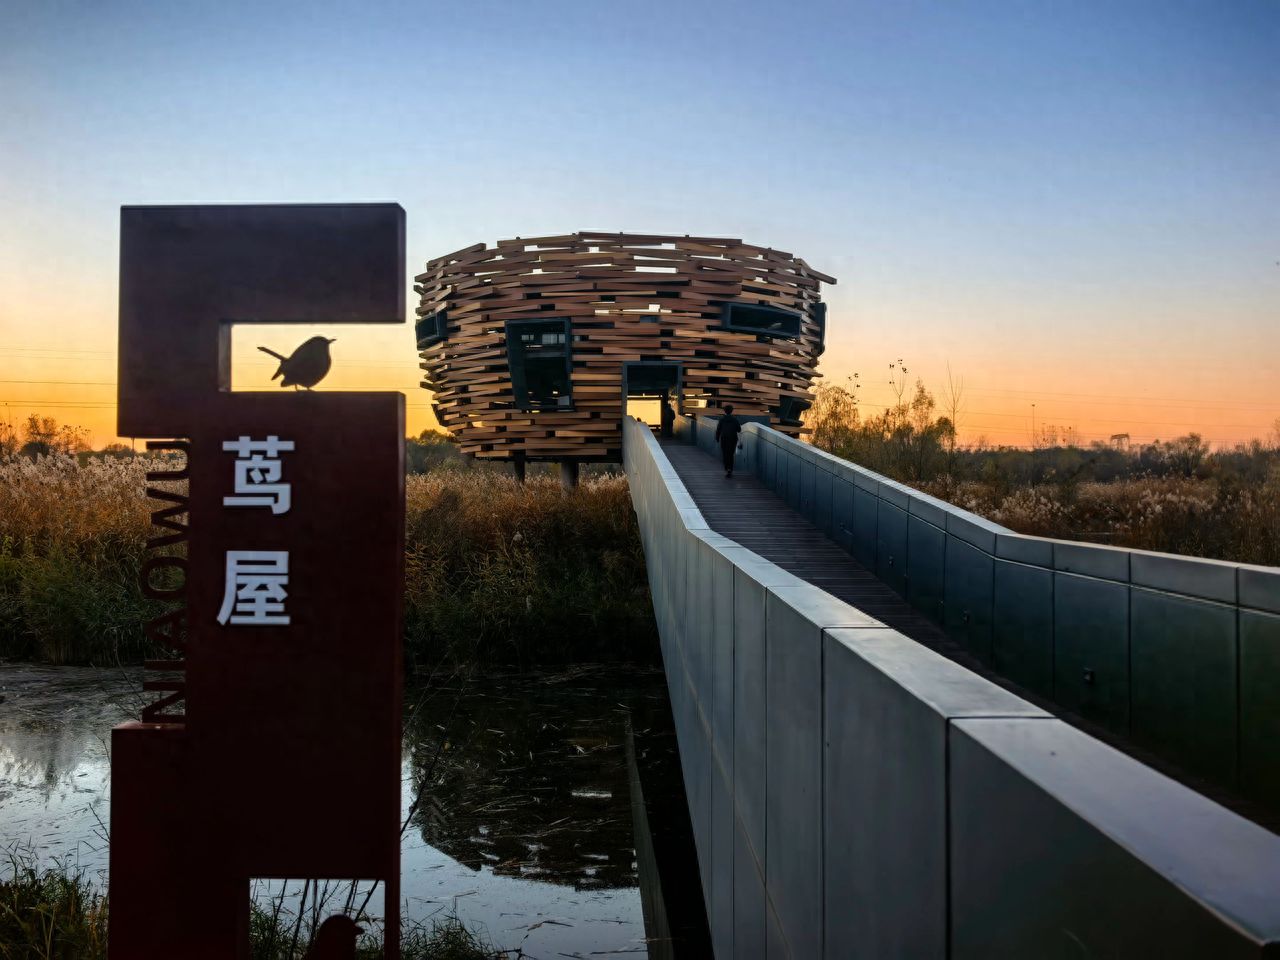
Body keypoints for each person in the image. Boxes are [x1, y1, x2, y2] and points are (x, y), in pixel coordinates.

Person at [714, 403, 742, 478]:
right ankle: (730, 469)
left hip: (724, 438)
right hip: (733, 439)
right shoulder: (735, 419)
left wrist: (717, 438)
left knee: (725, 453)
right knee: (731, 454)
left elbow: (718, 430)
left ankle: (727, 468)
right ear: (731, 411)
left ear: (725, 411)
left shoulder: (722, 420)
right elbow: (739, 430)